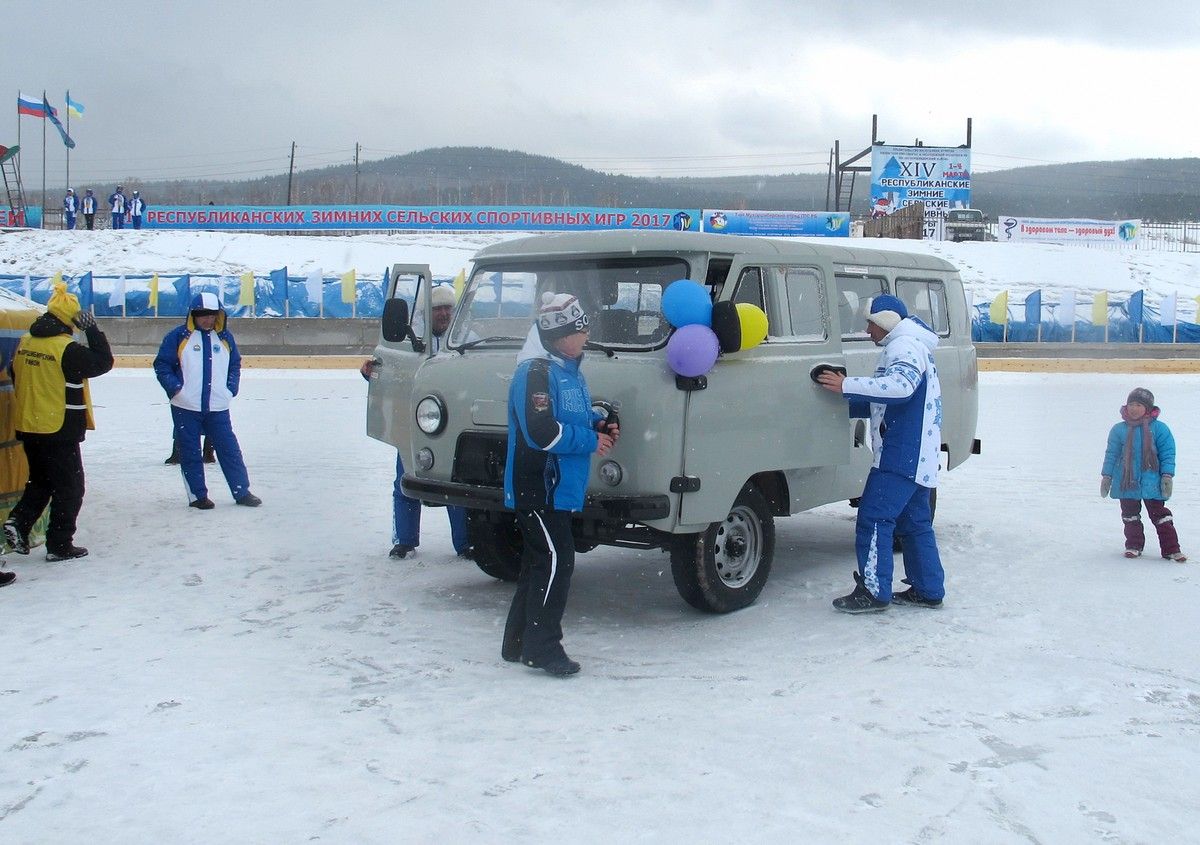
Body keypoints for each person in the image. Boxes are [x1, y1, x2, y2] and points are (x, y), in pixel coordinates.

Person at [501, 292, 618, 676]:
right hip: (539, 487)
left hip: (558, 488)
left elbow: (572, 416)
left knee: (540, 562)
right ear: (560, 335)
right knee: (555, 562)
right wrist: (589, 441)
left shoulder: (569, 370)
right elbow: (541, 432)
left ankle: (519, 642)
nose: (586, 335)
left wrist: (597, 423)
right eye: (580, 329)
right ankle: (543, 647)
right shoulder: (535, 373)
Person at [817, 294, 945, 612]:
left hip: (900, 453)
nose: (867, 330)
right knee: (915, 524)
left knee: (874, 517)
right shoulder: (912, 345)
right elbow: (883, 399)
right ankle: (928, 588)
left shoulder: (903, 346)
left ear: (886, 322)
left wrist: (847, 384)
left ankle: (874, 591)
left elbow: (900, 388)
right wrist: (840, 401)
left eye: (871, 323)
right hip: (917, 452)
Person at [3, 283, 113, 561]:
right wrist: (92, 329)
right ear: (72, 320)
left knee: (41, 481)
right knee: (70, 488)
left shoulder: (26, 341)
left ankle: (19, 522)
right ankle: (60, 544)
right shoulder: (65, 348)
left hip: (29, 425)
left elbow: (15, 374)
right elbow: (103, 362)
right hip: (58, 427)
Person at [361, 284, 469, 559]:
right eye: (437, 308)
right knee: (405, 478)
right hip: (415, 423)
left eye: (447, 308)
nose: (444, 313)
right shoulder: (407, 342)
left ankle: (466, 542)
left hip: (454, 424)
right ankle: (405, 540)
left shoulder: (467, 337)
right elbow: (390, 372)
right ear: (426, 311)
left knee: (455, 482)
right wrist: (371, 373)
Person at [153, 292, 261, 510]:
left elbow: (235, 364)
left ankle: (242, 491)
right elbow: (162, 365)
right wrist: (176, 389)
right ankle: (197, 496)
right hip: (186, 405)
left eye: (212, 315)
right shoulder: (178, 336)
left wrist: (230, 389)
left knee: (229, 449)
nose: (207, 319)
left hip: (218, 406)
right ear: (193, 315)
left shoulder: (225, 337)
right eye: (202, 315)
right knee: (190, 451)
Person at [1101, 388, 1186, 562]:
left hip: (1151, 481)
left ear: (1147, 407)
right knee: (1130, 516)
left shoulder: (1160, 429)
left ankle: (1171, 549)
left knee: (1161, 517)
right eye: (1131, 404)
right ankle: (1134, 545)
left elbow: (1168, 453)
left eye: (1138, 405)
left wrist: (1167, 476)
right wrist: (1107, 476)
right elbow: (1111, 454)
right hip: (1127, 481)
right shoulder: (1119, 430)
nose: (1134, 408)